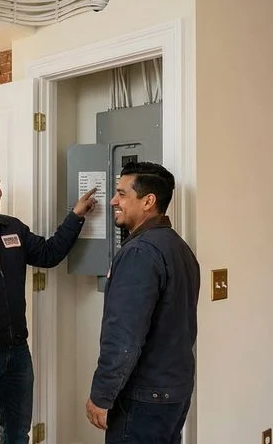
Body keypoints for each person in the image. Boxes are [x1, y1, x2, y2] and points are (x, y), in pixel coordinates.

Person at [0, 157, 97, 444]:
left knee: (17, 433)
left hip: (16, 352)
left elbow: (49, 254)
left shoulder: (11, 227)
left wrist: (76, 216)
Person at [85, 161, 200, 444]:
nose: (113, 201)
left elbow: (124, 336)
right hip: (174, 389)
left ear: (148, 201)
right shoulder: (178, 247)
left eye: (122, 194)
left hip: (145, 396)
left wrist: (102, 394)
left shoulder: (140, 253)